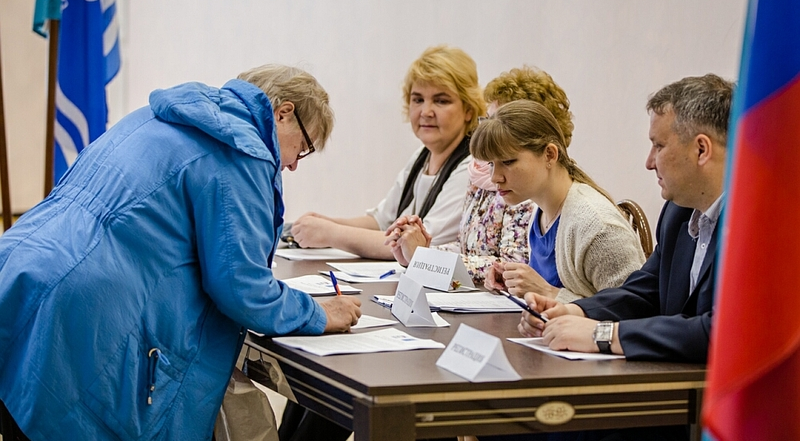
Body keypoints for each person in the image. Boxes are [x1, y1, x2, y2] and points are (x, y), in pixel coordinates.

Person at [0, 64, 362, 440]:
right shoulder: (241, 151)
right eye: (301, 148)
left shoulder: (158, 117)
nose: (292, 165)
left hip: (18, 274)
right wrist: (317, 313)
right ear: (283, 112)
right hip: (80, 317)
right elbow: (243, 289)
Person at [501, 74, 733, 441]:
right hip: (669, 391)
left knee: (548, 428)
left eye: (658, 145)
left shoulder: (761, 233)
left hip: (722, 410)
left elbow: (723, 330)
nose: (648, 162)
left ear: (701, 150)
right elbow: (645, 289)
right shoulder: (678, 212)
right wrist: (575, 311)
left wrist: (604, 334)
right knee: (508, 421)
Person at [290, 45, 486, 259]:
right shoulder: (422, 156)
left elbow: (414, 245)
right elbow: (382, 221)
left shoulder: (474, 166)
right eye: (418, 99)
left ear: (468, 109)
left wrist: (329, 233)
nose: (426, 112)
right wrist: (323, 222)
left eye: (441, 101)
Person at [386, 66, 576, 284]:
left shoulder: (527, 187)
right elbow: (466, 247)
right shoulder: (481, 174)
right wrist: (419, 252)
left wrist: (424, 257)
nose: (487, 133)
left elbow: (513, 264)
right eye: (486, 121)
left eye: (499, 124)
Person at [466, 99, 644, 303]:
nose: (494, 177)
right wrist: (516, 283)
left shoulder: (598, 227)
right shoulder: (540, 210)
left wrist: (547, 293)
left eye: (507, 162)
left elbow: (631, 314)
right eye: (490, 164)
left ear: (549, 154)